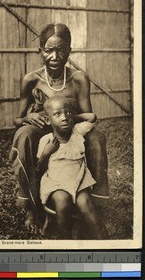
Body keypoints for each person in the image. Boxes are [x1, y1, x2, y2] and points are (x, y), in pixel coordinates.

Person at [9, 23, 109, 233]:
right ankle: (30, 206)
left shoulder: (79, 78)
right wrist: (31, 116)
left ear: (69, 51)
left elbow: (88, 122)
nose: (55, 56)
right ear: (41, 51)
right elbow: (17, 120)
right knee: (24, 134)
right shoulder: (31, 79)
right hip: (41, 131)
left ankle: (94, 202)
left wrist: (67, 117)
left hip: (70, 129)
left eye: (61, 49)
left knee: (96, 137)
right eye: (49, 50)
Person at [36, 96, 105, 239]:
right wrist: (46, 153)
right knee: (62, 201)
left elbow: (92, 117)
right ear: (48, 120)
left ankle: (102, 240)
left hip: (78, 180)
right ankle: (66, 240)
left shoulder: (77, 132)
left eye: (68, 113)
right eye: (57, 114)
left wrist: (75, 117)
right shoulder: (47, 141)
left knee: (85, 202)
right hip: (56, 183)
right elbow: (39, 168)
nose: (64, 118)